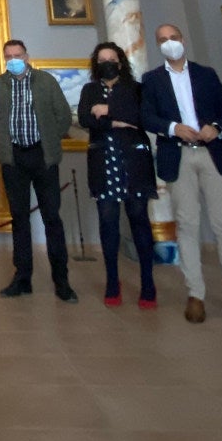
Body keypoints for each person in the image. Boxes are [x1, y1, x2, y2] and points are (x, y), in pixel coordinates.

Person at [141, 23, 222, 326]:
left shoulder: (206, 74)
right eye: (163, 40)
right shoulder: (152, 79)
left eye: (173, 38)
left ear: (182, 39)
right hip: (177, 154)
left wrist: (216, 128)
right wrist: (172, 128)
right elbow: (147, 117)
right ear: (158, 45)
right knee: (187, 224)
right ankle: (195, 294)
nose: (169, 43)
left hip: (211, 153)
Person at [0, 39, 78, 302]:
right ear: (4, 59)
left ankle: (61, 281)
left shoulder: (46, 81)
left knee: (52, 218)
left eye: (18, 55)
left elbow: (63, 116)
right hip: (14, 158)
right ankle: (22, 278)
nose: (13, 60)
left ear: (26, 56)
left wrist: (48, 138)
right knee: (19, 219)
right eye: (9, 56)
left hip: (43, 156)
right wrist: (8, 138)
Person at [78, 42, 158, 309]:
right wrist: (116, 121)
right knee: (108, 220)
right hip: (103, 160)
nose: (107, 64)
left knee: (139, 217)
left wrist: (107, 111)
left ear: (120, 62)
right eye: (102, 60)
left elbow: (142, 118)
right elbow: (85, 119)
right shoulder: (90, 90)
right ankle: (112, 280)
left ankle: (148, 282)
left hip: (134, 160)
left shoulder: (136, 89)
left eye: (111, 59)